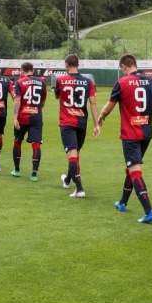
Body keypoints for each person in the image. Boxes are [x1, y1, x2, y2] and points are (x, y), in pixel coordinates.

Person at [97, 54, 152, 222]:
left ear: (124, 67)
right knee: (131, 166)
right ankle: (122, 203)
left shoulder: (122, 82)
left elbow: (108, 107)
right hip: (146, 134)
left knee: (135, 170)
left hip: (130, 134)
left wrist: (100, 117)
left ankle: (148, 211)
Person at [55, 54, 101, 198]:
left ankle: (79, 189)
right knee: (75, 154)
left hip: (67, 122)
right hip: (82, 122)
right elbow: (93, 103)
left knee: (73, 156)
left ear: (66, 65)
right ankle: (68, 179)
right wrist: (96, 124)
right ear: (78, 65)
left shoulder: (61, 80)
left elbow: (57, 96)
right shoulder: (88, 82)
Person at [12, 61, 47, 181]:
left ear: (22, 71)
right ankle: (34, 174)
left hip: (22, 116)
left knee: (17, 142)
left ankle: (17, 170)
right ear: (32, 69)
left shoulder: (20, 82)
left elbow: (17, 100)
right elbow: (43, 101)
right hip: (36, 117)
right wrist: (37, 110)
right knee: (36, 144)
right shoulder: (42, 82)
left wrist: (15, 117)